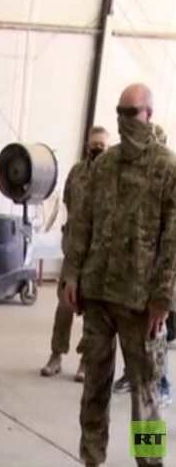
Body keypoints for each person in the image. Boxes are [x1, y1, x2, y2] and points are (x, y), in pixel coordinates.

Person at [61, 83, 176, 467]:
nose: (125, 121)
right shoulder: (104, 166)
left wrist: (163, 298)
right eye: (120, 113)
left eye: (132, 113)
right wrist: (71, 274)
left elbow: (173, 241)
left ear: (149, 115)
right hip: (97, 295)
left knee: (145, 394)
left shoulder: (166, 168)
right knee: (94, 386)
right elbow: (82, 224)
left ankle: (150, 462)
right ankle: (92, 457)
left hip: (140, 302)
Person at [40, 126, 109, 382]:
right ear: (87, 145)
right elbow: (69, 203)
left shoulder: (112, 177)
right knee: (64, 305)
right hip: (73, 250)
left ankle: (85, 361)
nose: (97, 148)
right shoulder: (77, 173)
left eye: (102, 145)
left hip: (97, 253)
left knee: (92, 312)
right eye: (94, 144)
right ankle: (56, 355)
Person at [112, 123, 173, 407]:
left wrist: (163, 296)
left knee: (150, 384)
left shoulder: (168, 178)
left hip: (155, 288)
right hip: (128, 288)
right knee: (139, 371)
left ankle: (162, 386)